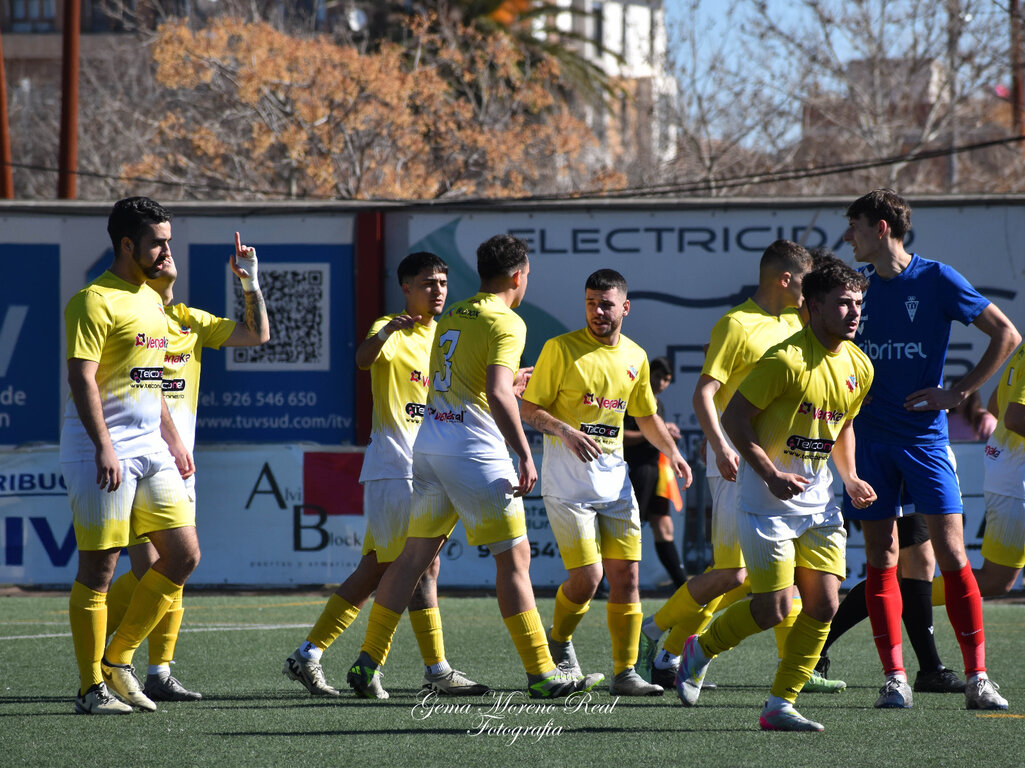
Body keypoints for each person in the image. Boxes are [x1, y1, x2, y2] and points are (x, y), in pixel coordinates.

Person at [345, 234, 604, 699]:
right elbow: (500, 393)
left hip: (429, 447)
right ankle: (542, 673)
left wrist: (507, 383)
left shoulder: (456, 314)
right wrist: (526, 453)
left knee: (412, 558)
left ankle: (367, 661)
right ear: (518, 275)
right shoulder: (507, 321)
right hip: (474, 453)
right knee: (515, 560)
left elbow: (474, 379)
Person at [674, 256, 875, 732]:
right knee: (774, 608)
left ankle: (779, 704)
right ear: (814, 306)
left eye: (859, 303)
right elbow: (734, 419)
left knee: (825, 604)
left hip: (821, 501)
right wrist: (768, 473)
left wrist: (848, 478)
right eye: (843, 303)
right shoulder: (784, 359)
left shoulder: (860, 365)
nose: (853, 313)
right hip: (767, 503)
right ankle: (699, 648)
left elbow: (842, 427)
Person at [635, 240, 843, 693]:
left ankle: (794, 666)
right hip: (735, 462)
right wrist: (721, 445)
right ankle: (661, 636)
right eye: (807, 283)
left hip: (779, 463)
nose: (813, 293)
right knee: (734, 574)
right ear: (785, 280)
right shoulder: (736, 323)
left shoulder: (797, 320)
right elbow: (704, 394)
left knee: (778, 572)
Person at [841, 188, 1018, 710]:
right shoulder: (857, 291)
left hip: (924, 441)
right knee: (882, 557)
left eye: (854, 226)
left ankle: (978, 678)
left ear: (880, 228)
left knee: (953, 554)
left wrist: (958, 392)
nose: (847, 236)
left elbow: (1006, 334)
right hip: (870, 439)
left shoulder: (937, 278)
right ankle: (895, 677)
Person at [282, 252, 486, 699]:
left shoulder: (447, 338)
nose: (438, 290)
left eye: (443, 282)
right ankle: (402, 665)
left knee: (409, 566)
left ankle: (317, 655)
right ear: (407, 289)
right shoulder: (392, 328)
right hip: (394, 467)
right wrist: (387, 331)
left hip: (429, 469)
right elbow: (362, 359)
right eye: (428, 283)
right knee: (393, 567)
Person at [102, 231, 270, 702]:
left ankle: (155, 669)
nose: (168, 254)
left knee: (173, 567)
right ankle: (115, 659)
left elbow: (257, 335)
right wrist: (170, 440)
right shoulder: (128, 314)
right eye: (160, 250)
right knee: (154, 566)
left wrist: (249, 283)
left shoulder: (188, 320)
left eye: (171, 249)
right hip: (136, 456)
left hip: (175, 464)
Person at [519, 270, 692, 697]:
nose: (598, 311)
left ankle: (625, 673)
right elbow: (528, 408)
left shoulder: (635, 356)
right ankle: (558, 641)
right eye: (591, 303)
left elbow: (647, 416)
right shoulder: (560, 349)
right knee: (588, 578)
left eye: (607, 304)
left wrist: (674, 453)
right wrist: (564, 430)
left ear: (624, 308)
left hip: (615, 485)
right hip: (567, 485)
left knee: (627, 578)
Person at [63, 197, 198, 714]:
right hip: (99, 448)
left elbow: (154, 380)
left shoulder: (151, 301)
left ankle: (118, 660)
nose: (166, 250)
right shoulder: (93, 300)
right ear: (127, 244)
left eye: (168, 239)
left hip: (151, 449)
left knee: (183, 555)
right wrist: (104, 446)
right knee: (100, 568)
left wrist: (171, 437)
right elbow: (82, 377)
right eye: (157, 242)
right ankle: (88, 690)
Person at [622, 356, 688, 589]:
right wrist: (652, 433)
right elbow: (620, 437)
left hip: (657, 471)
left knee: (664, 525)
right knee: (628, 529)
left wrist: (665, 436)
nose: (661, 382)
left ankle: (682, 586)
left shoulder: (658, 404)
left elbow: (658, 438)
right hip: (635, 470)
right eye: (658, 376)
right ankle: (606, 585)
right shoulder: (634, 398)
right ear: (648, 375)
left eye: (666, 379)